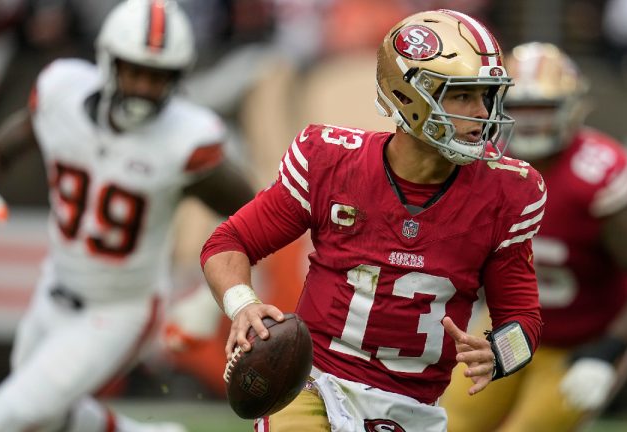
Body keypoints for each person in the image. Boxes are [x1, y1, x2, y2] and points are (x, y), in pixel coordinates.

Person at [200, 9, 546, 432]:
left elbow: (523, 319)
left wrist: (499, 353)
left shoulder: (509, 192)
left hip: (411, 408)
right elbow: (228, 242)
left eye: (488, 96)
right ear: (409, 96)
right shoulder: (330, 161)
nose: (481, 113)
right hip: (312, 384)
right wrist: (243, 306)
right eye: (463, 95)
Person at [0, 0, 254, 431]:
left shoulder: (185, 139)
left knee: (9, 414)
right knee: (50, 418)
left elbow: (253, 216)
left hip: (119, 309)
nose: (144, 87)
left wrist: (212, 303)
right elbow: (0, 150)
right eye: (134, 70)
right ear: (107, 61)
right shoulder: (62, 94)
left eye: (157, 76)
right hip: (52, 287)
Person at [440, 42, 627, 432]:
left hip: (581, 341)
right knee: (447, 423)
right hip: (511, 328)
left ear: (572, 108)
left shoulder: (593, 172)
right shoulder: (486, 163)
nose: (531, 122)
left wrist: (607, 351)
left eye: (544, 108)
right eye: (521, 108)